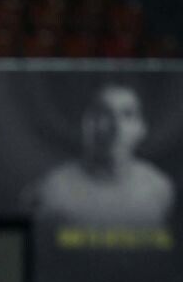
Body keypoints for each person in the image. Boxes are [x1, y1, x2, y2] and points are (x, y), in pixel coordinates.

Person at [26, 83, 175, 227]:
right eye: (104, 114)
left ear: (142, 128)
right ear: (86, 124)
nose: (116, 126)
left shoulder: (159, 188)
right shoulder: (51, 193)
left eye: (128, 115)